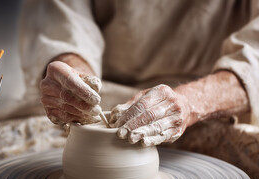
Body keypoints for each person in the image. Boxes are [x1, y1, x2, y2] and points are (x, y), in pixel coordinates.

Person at [18, 0, 259, 146]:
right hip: (105, 95)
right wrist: (74, 75)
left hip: (214, 97)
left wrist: (189, 102)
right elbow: (64, 19)